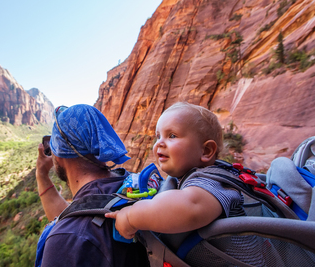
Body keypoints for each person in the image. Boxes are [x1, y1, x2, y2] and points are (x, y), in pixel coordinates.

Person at [105, 102, 245, 239]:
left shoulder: (212, 182)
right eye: (158, 136)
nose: (159, 142)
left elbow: (189, 208)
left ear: (206, 151)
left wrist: (131, 216)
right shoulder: (193, 177)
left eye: (172, 136)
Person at [35, 104, 149, 267]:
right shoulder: (129, 183)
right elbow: (74, 214)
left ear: (59, 156)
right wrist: (41, 175)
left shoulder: (65, 241)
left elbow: (76, 228)